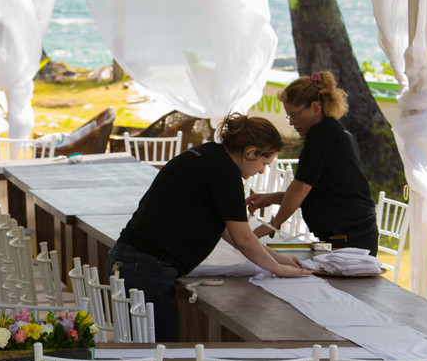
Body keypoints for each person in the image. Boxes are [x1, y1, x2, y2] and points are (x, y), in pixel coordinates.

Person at [106, 114, 310, 342]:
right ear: (250, 152)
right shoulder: (225, 172)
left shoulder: (209, 155)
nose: (262, 171)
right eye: (264, 163)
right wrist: (277, 268)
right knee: (161, 352)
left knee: (146, 351)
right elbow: (243, 239)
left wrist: (278, 259)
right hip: (147, 265)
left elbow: (229, 231)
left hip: (133, 259)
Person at [247, 71, 379, 253]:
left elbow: (300, 188)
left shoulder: (322, 134)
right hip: (354, 235)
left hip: (349, 237)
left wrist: (274, 224)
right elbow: (317, 192)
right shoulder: (334, 131)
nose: (291, 122)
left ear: (316, 108)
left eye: (294, 115)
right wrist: (271, 198)